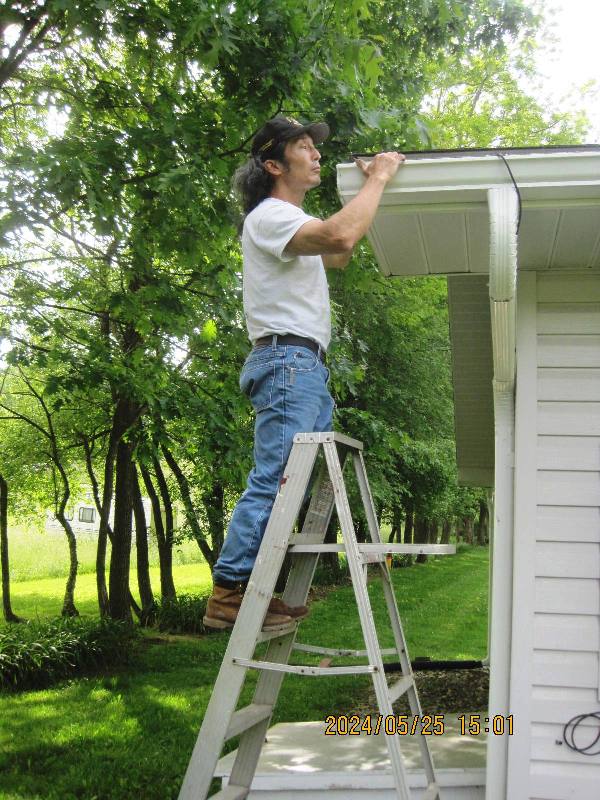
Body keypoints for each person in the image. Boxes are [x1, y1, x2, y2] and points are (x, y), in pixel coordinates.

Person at [203, 115, 405, 631]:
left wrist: (366, 187)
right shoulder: (268, 215)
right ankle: (229, 592)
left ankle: (255, 592)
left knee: (288, 483)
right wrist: (379, 177)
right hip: (288, 362)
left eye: (315, 145)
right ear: (274, 165)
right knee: (275, 479)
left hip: (302, 365)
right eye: (302, 145)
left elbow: (342, 248)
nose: (315, 152)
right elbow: (341, 232)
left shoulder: (290, 225)